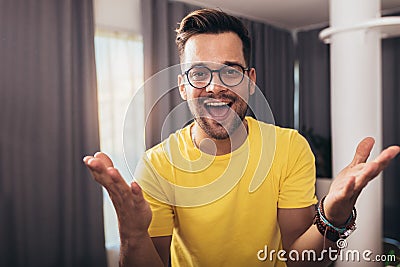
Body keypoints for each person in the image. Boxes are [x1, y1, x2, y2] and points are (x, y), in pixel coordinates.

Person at [83, 9, 399, 267]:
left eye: (230, 71)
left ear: (250, 82)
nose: (214, 87)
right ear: (182, 86)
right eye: (199, 73)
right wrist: (133, 234)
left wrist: (334, 213)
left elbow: (302, 262)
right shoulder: (157, 164)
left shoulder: (289, 148)